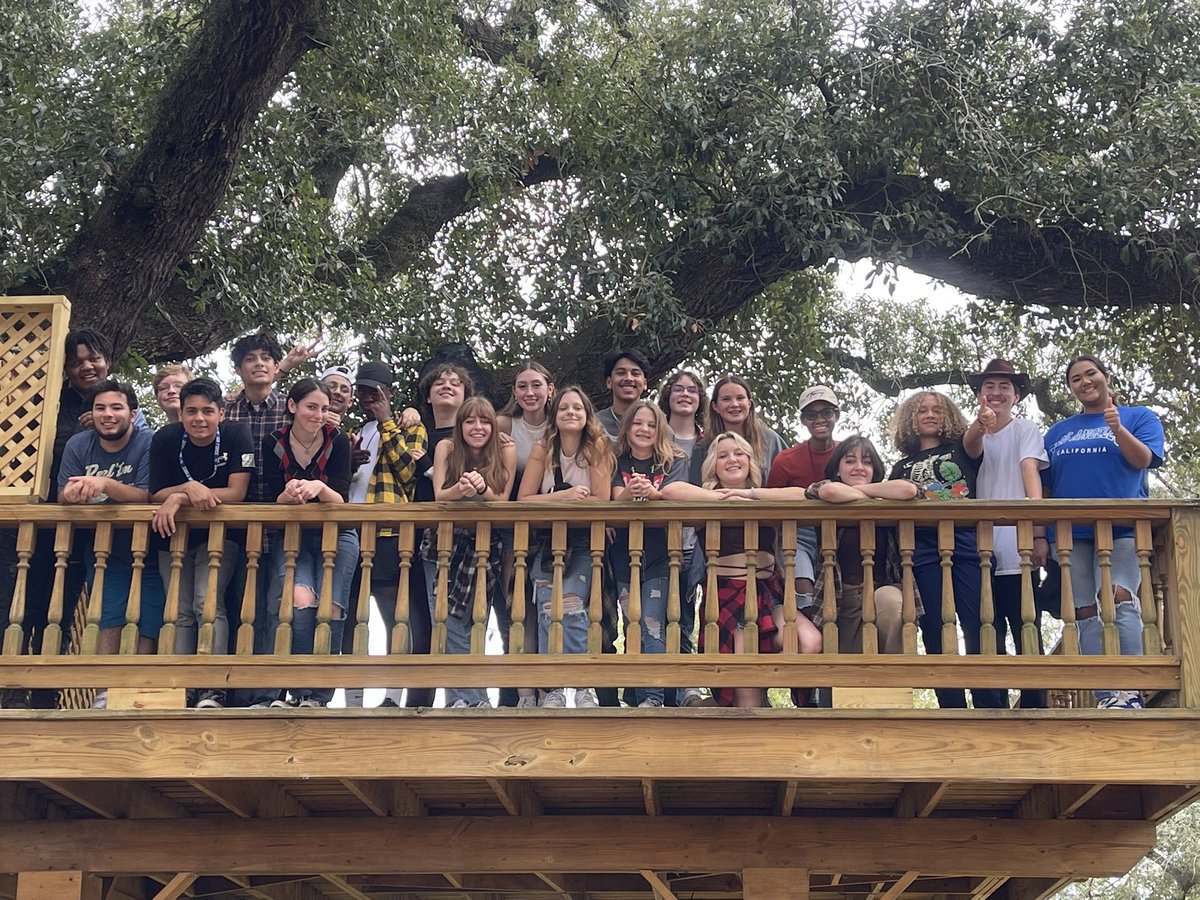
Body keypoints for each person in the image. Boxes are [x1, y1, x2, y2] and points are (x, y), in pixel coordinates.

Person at [1043, 355, 1165, 710]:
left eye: (1091, 374)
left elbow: (1143, 460)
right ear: (1071, 388)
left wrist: (1118, 429)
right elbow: (1046, 487)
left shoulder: (1138, 417)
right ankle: (1106, 694)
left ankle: (1131, 690)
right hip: (1071, 533)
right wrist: (1040, 534)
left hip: (1123, 527)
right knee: (1083, 610)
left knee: (1118, 596)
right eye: (1075, 379)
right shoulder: (1058, 432)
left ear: (1106, 377)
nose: (1085, 382)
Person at [888, 391, 1007, 709]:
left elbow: (974, 437)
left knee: (979, 622)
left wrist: (981, 422)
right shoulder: (902, 466)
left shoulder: (960, 449)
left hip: (966, 544)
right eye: (921, 410)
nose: (930, 414)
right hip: (921, 550)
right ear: (911, 420)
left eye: (937, 410)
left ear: (948, 416)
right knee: (934, 626)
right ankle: (951, 705)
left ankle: (990, 704)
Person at [58, 380, 164, 708]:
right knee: (109, 614)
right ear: (91, 414)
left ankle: (138, 690)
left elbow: (146, 494)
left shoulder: (148, 441)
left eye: (116, 407)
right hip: (103, 546)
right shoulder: (79, 444)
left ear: (132, 414)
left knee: (150, 615)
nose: (108, 414)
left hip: (151, 544)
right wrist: (71, 496)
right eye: (100, 408)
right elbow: (62, 493)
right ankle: (105, 691)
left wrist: (104, 483)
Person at [150, 377, 254, 709]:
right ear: (180, 414)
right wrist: (185, 489)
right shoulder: (165, 438)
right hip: (173, 536)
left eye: (207, 411)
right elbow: (155, 492)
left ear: (221, 413)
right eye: (191, 411)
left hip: (220, 537)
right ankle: (180, 687)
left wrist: (182, 495)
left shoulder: (237, 434)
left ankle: (212, 688)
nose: (199, 418)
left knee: (207, 605)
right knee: (178, 611)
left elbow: (237, 493)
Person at [662, 432, 786, 707]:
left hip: (768, 593)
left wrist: (748, 495)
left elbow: (803, 494)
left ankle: (768, 702)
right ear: (713, 465)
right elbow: (669, 491)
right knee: (745, 691)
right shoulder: (704, 498)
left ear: (750, 460)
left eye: (739, 453)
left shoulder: (761, 495)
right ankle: (732, 718)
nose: (732, 459)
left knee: (809, 641)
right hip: (728, 595)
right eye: (723, 455)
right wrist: (723, 499)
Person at [260, 378, 358, 708]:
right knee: (300, 604)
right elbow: (272, 498)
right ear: (292, 406)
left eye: (324, 409)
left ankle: (318, 695)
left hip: (337, 533)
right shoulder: (274, 442)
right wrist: (288, 494)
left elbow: (341, 497)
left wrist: (318, 487)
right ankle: (297, 690)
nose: (318, 415)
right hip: (294, 535)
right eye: (311, 407)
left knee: (331, 609)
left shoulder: (338, 440)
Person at [517, 386, 615, 708]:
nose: (570, 412)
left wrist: (569, 501)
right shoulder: (543, 448)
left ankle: (581, 686)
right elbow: (524, 499)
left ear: (587, 415)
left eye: (577, 408)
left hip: (583, 540)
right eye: (563, 408)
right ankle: (555, 688)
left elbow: (602, 500)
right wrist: (564, 496)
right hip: (547, 541)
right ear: (554, 415)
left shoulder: (597, 447)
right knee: (548, 611)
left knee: (572, 606)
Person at [964, 359, 1049, 708]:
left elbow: (1030, 470)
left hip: (1018, 547)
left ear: (1017, 396)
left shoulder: (1025, 430)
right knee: (987, 630)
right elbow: (970, 449)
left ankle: (1035, 704)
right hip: (978, 551)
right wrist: (979, 424)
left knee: (1026, 628)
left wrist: (1037, 528)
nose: (996, 393)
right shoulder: (972, 434)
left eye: (1004, 387)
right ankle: (991, 705)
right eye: (989, 386)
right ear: (979, 394)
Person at [342, 361, 428, 709]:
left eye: (374, 392)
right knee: (350, 617)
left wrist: (387, 422)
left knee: (395, 616)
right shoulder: (355, 431)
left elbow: (409, 474)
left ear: (388, 393)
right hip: (351, 531)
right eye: (362, 392)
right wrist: (349, 460)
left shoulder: (410, 426)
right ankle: (353, 699)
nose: (368, 398)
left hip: (390, 533)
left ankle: (393, 695)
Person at [420, 397, 516, 708]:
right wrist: (461, 489)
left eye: (485, 421)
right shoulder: (446, 448)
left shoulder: (505, 450)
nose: (478, 427)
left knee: (474, 621)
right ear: (460, 425)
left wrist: (482, 488)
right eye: (470, 421)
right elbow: (440, 495)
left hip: (482, 546)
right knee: (445, 621)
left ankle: (469, 698)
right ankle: (466, 699)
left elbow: (502, 500)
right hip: (443, 544)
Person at [802, 435, 919, 654]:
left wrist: (865, 492)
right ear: (838, 470)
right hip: (841, 597)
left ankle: (895, 670)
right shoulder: (825, 492)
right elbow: (830, 491)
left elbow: (909, 490)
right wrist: (870, 497)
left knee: (890, 602)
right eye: (850, 461)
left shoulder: (888, 495)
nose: (859, 467)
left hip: (881, 588)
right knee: (848, 668)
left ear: (875, 469)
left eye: (866, 462)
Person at [610, 401, 688, 707]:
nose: (644, 429)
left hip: (661, 554)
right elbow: (612, 500)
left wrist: (654, 495)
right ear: (627, 427)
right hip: (623, 556)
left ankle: (654, 697)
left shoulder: (673, 461)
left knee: (653, 622)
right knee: (631, 623)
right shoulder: (615, 460)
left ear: (661, 430)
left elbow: (678, 498)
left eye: (652, 425)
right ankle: (637, 695)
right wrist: (628, 494)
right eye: (638, 423)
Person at [497, 360, 556, 708]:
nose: (530, 392)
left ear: (550, 389)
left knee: (551, 606)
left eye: (536, 385)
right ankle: (524, 693)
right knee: (518, 608)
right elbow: (468, 429)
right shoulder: (505, 423)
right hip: (514, 527)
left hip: (553, 527)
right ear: (515, 392)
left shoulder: (562, 421)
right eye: (522, 386)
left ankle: (549, 689)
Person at [768, 385, 843, 632]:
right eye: (811, 414)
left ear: (836, 415)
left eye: (826, 413)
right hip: (800, 532)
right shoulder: (786, 460)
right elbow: (771, 512)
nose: (820, 419)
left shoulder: (849, 455)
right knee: (798, 566)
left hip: (842, 531)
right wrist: (775, 558)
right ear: (803, 420)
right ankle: (810, 626)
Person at [655, 370, 709, 703]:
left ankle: (687, 686)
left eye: (692, 390)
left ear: (700, 399)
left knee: (686, 615)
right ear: (668, 395)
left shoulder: (708, 441)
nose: (685, 394)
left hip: (698, 541)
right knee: (654, 615)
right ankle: (652, 689)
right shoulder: (653, 434)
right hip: (660, 540)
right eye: (678, 389)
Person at [693, 375, 785, 483]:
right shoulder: (703, 447)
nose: (734, 404)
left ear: (749, 403)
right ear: (715, 406)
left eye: (740, 398)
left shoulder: (770, 440)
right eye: (726, 399)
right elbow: (693, 487)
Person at [596, 349, 650, 439]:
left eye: (635, 373)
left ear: (645, 383)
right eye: (621, 373)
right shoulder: (594, 424)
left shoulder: (658, 425)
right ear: (609, 382)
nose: (629, 378)